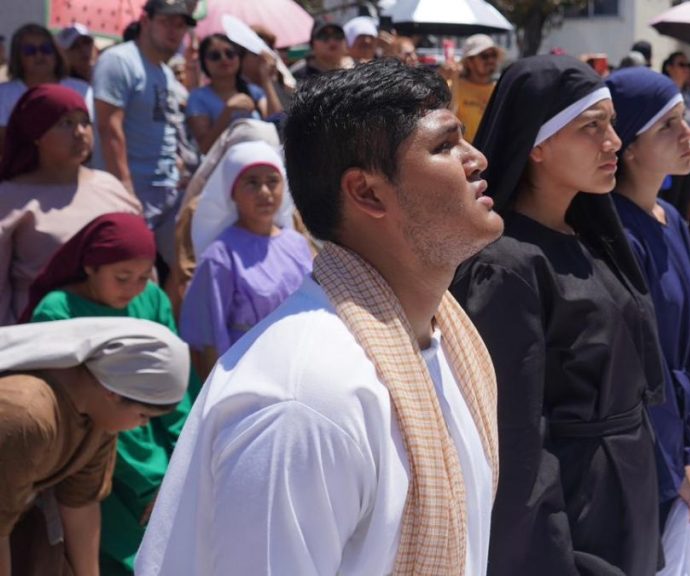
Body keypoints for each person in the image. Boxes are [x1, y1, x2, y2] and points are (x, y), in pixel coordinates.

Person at [137, 60, 501, 575]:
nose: (477, 158)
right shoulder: (306, 397)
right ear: (368, 192)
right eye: (444, 146)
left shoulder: (448, 341)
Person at [451, 55, 665, 575]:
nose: (613, 142)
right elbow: (516, 445)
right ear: (538, 145)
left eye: (611, 125)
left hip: (624, 492)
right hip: (575, 514)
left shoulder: (587, 236)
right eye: (592, 127)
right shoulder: (505, 267)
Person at [22, 213, 195, 576]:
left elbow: (175, 388)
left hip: (158, 454)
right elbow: (87, 407)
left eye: (143, 276)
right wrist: (150, 484)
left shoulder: (151, 300)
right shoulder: (57, 313)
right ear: (89, 266)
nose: (133, 288)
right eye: (121, 277)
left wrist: (183, 462)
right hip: (98, 463)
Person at [606, 67, 690, 531]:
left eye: (684, 118)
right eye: (667, 125)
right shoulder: (619, 236)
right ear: (628, 148)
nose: (688, 132)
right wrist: (676, 465)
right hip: (648, 452)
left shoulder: (670, 217)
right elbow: (640, 369)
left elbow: (688, 353)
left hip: (679, 444)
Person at [0, 317, 189, 576]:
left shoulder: (98, 416)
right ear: (112, 393)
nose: (140, 426)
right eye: (143, 416)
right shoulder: (26, 414)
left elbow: (80, 504)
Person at [0, 85, 141, 326]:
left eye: (85, 122)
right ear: (36, 134)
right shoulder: (10, 198)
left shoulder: (112, 188)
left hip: (116, 334)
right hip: (38, 338)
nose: (80, 132)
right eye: (65, 123)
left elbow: (142, 268)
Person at [179, 140, 312, 379]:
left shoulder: (298, 245)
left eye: (272, 181)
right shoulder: (221, 257)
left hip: (299, 364)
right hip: (248, 371)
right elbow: (209, 337)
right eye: (252, 182)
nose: (264, 192)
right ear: (233, 191)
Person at [93, 0, 194, 270]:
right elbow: (108, 128)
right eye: (166, 21)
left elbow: (163, 128)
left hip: (168, 191)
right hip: (134, 193)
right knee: (136, 275)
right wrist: (124, 190)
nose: (174, 30)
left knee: (183, 270)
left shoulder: (164, 73)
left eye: (181, 24)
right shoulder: (119, 61)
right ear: (145, 21)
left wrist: (177, 168)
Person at [0, 24, 92, 157]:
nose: (39, 55)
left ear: (55, 53)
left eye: (46, 49)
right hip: (21, 174)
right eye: (30, 50)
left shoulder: (81, 89)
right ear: (18, 57)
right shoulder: (3, 94)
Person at [186, 34, 262, 153]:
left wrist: (267, 79)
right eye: (215, 56)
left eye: (230, 53)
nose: (224, 59)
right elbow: (205, 148)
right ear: (204, 62)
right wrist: (228, 111)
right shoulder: (197, 98)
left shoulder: (254, 91)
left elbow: (276, 123)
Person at [660, 51, 690, 222]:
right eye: (681, 65)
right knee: (671, 200)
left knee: (685, 199)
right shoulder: (662, 93)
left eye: (688, 65)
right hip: (671, 153)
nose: (687, 69)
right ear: (669, 68)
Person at [446, 34, 502, 143]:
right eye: (484, 56)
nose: (490, 60)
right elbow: (448, 118)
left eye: (494, 55)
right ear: (469, 62)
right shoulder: (452, 86)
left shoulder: (500, 90)